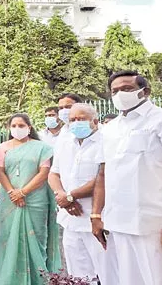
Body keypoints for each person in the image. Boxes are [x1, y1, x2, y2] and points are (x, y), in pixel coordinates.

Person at [91, 70, 162, 285]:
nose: (120, 94)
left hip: (155, 227)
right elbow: (103, 173)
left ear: (145, 91)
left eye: (127, 89)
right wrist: (96, 215)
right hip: (119, 225)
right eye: (115, 91)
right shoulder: (109, 130)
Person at [0, 113, 61, 284]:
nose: (17, 129)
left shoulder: (42, 147)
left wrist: (22, 192)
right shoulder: (3, 147)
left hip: (35, 199)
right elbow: (0, 171)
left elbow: (44, 173)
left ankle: (39, 279)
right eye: (14, 126)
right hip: (10, 199)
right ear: (9, 128)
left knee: (38, 238)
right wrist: (13, 193)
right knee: (9, 238)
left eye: (21, 125)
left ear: (29, 128)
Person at [48, 104, 104, 282]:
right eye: (72, 120)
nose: (76, 123)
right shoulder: (64, 143)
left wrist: (70, 196)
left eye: (81, 119)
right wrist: (63, 197)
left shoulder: (105, 143)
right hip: (70, 220)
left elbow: (102, 179)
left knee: (104, 272)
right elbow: (53, 173)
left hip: (96, 220)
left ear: (94, 121)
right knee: (77, 274)